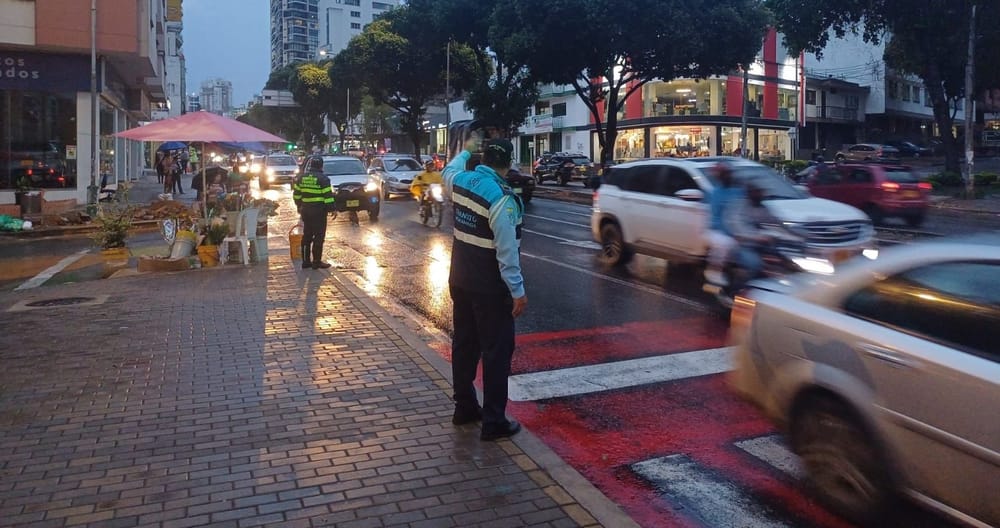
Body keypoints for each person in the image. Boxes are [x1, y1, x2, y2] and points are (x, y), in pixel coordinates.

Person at [443, 136, 527, 441]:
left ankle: (464, 407)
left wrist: (464, 149)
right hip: (490, 289)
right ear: (507, 164)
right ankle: (493, 421)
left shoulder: (461, 180)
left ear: (484, 158)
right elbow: (507, 252)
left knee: (464, 345)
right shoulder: (502, 198)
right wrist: (517, 290)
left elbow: (448, 170)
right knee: (496, 351)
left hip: (460, 280)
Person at [723, 179, 782, 289]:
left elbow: (776, 223)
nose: (761, 195)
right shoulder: (738, 207)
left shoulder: (762, 207)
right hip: (742, 246)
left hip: (762, 246)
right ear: (750, 192)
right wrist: (757, 237)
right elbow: (738, 228)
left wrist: (802, 236)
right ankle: (736, 293)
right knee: (755, 265)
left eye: (761, 192)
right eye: (757, 192)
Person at [704, 162, 743, 286]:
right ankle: (714, 271)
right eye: (723, 174)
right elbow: (716, 217)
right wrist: (733, 233)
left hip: (742, 231)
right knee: (724, 244)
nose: (727, 176)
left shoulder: (739, 192)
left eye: (728, 173)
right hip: (721, 232)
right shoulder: (715, 193)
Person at [292, 157, 335, 269]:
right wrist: (332, 209)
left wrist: (299, 206)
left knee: (307, 235)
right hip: (319, 212)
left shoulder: (301, 178)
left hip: (306, 211)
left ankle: (306, 262)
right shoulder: (324, 179)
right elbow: (328, 197)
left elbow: (296, 195)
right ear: (321, 166)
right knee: (319, 236)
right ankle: (316, 261)